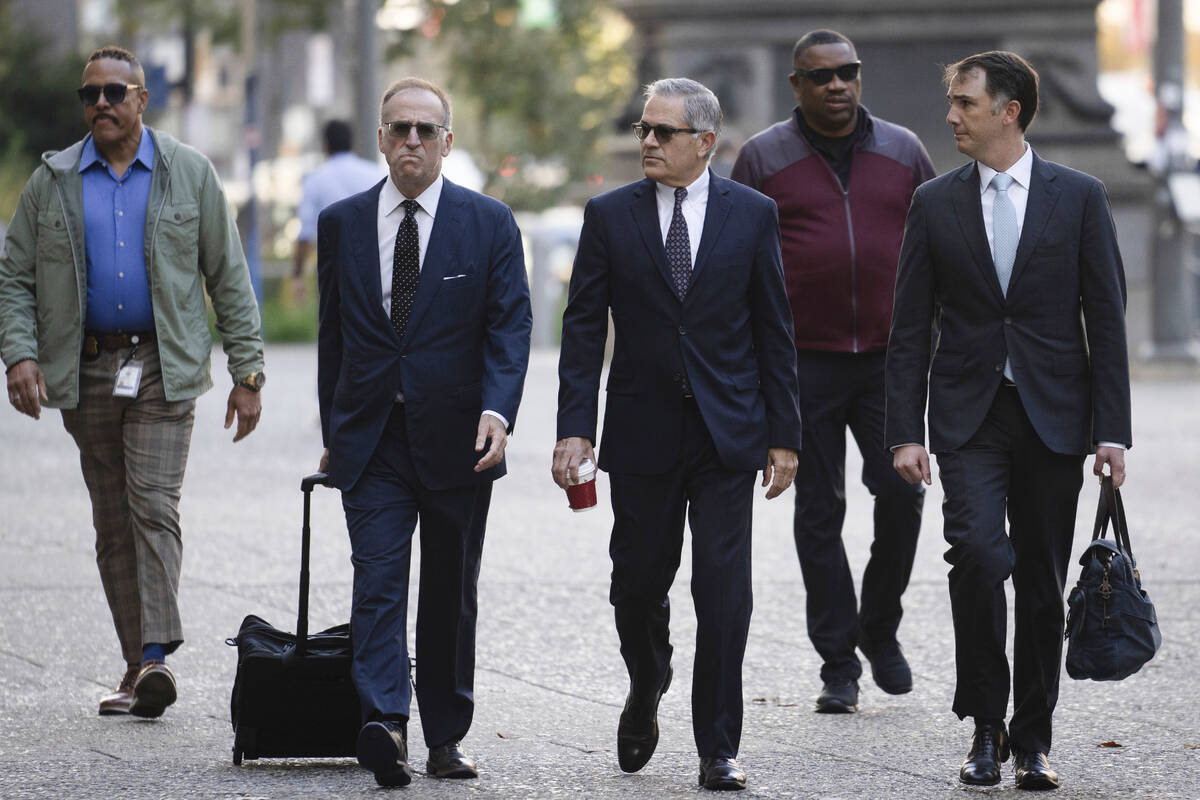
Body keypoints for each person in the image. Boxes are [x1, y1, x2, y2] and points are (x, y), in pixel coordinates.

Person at [885, 51, 1131, 790]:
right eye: (952, 101)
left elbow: (1107, 319)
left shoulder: (1079, 195)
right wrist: (904, 429)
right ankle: (984, 727)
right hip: (969, 414)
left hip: (1056, 416)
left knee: (1041, 581)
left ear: (1010, 111)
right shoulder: (934, 203)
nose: (952, 116)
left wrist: (1112, 431)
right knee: (982, 557)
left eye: (965, 103)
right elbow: (909, 327)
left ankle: (1033, 740)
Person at [0, 46, 264, 719]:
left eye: (116, 93)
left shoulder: (189, 174)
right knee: (112, 521)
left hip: (162, 366)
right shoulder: (52, 181)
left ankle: (155, 656)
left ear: (143, 100)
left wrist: (247, 371)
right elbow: (14, 276)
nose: (102, 106)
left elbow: (227, 275)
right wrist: (20, 356)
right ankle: (135, 666)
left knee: (152, 503)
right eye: (90, 95)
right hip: (85, 368)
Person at [553, 78, 802, 792]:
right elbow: (580, 331)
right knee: (636, 583)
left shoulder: (752, 215)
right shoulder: (609, 215)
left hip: (728, 435)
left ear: (705, 142)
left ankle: (717, 746)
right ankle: (649, 674)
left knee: (724, 592)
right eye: (643, 131)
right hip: (642, 431)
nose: (649, 143)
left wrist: (784, 435)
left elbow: (773, 330)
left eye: (663, 132)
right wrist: (576, 429)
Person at [316, 77, 531, 788]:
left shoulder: (489, 222)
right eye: (398, 128)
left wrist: (499, 412)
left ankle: (445, 735)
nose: (411, 140)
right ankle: (387, 722)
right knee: (377, 579)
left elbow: (510, 326)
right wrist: (335, 429)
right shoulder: (343, 222)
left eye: (425, 130)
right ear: (380, 139)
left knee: (448, 591)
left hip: (460, 440)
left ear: (447, 141)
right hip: (373, 439)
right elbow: (332, 338)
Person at [731, 28, 935, 714]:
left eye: (848, 72)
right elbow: (738, 265)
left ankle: (878, 624)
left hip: (887, 362)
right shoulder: (764, 157)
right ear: (798, 86)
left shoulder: (904, 150)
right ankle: (838, 664)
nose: (837, 86)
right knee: (819, 513)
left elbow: (939, 243)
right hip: (801, 364)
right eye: (821, 77)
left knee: (903, 497)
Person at [290, 119, 381, 303]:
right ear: (352, 143)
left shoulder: (315, 180)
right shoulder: (376, 174)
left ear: (326, 145)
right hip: (376, 267)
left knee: (334, 326)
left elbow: (306, 232)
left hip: (334, 270)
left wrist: (298, 275)